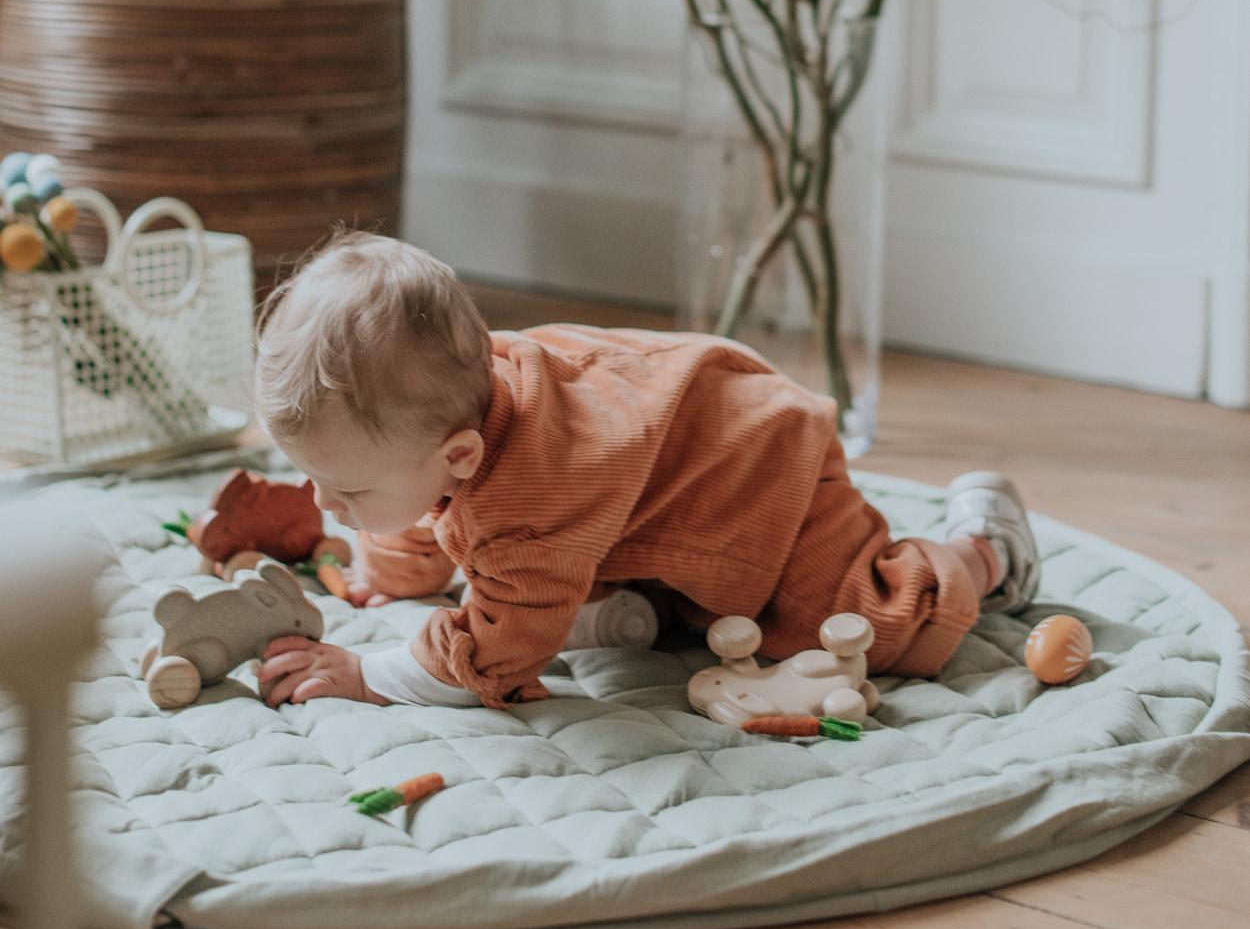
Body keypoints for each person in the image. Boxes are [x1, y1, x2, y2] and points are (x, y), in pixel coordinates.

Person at [254, 230, 1040, 711]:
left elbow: (500, 651)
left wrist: (369, 672)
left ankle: (983, 547)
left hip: (765, 475)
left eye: (349, 492)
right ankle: (652, 599)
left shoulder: (530, 500)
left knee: (862, 626)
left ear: (461, 456)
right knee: (628, 578)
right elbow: (434, 504)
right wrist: (391, 564)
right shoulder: (459, 402)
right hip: (672, 456)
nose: (326, 505)